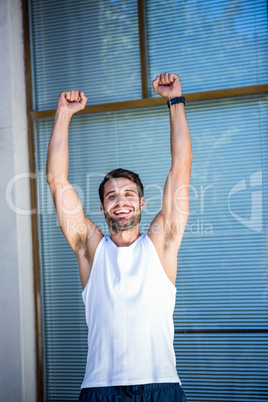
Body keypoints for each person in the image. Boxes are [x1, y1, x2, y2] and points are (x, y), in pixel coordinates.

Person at [47, 72, 192, 401]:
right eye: (112, 196)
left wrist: (174, 101)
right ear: (102, 207)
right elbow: (57, 180)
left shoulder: (162, 244)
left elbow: (181, 166)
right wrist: (64, 114)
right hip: (100, 389)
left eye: (128, 194)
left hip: (162, 386)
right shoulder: (90, 250)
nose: (121, 201)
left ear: (141, 203)